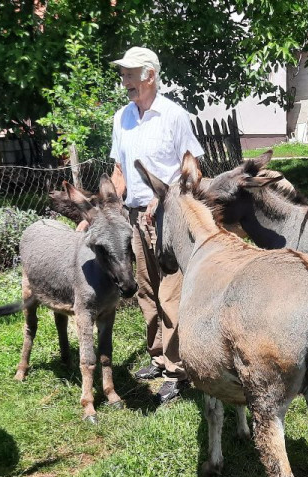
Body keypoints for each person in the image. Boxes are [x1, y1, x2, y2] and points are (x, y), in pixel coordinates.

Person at [108, 46, 205, 404]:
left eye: (130, 74)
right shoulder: (122, 117)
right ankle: (158, 355)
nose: (125, 81)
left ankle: (178, 370)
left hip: (170, 216)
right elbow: (119, 171)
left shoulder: (174, 115)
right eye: (123, 74)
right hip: (135, 216)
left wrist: (161, 197)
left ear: (149, 75)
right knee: (146, 288)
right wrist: (106, 207)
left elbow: (191, 170)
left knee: (171, 291)